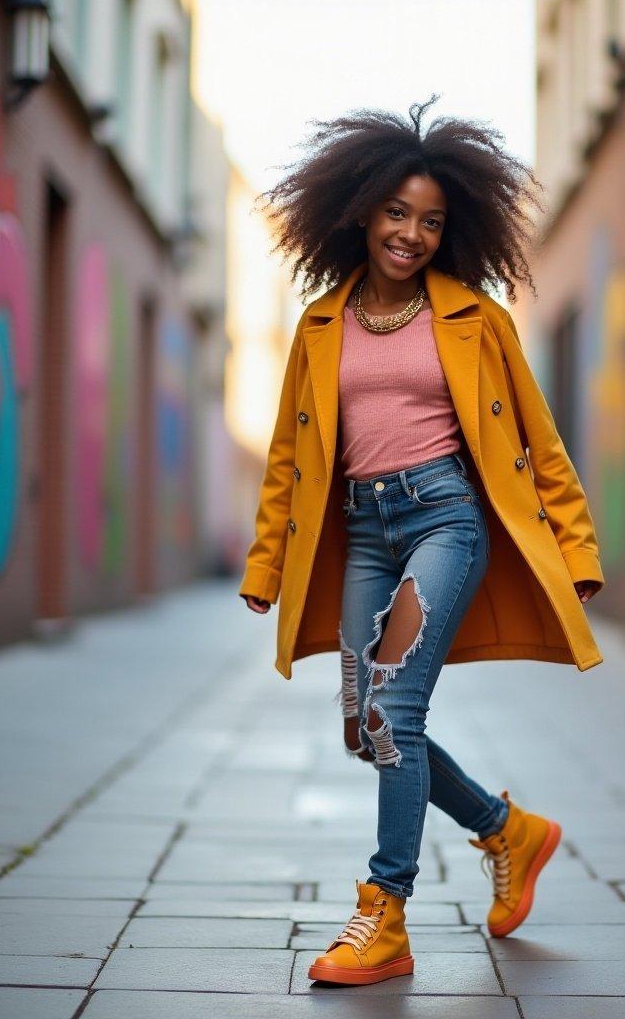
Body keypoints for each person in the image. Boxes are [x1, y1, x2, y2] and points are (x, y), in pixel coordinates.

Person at [241, 94, 605, 986]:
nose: (411, 234)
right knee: (365, 730)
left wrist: (578, 548)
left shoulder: (480, 322)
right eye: (397, 213)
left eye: (431, 221)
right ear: (361, 211)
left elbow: (540, 440)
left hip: (446, 518)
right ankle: (506, 830)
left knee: (394, 714)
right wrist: (264, 564)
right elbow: (290, 454)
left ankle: (386, 912)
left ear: (453, 230)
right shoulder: (320, 325)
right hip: (365, 532)